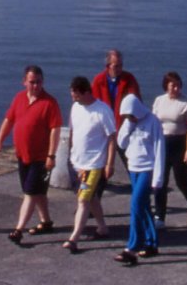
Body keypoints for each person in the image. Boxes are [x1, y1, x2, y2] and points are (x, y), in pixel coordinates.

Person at [0, 64, 63, 244]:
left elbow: (55, 130)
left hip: (41, 157)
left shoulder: (50, 102)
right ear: (24, 82)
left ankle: (19, 229)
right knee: (37, 191)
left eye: (39, 82)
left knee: (30, 192)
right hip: (23, 154)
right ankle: (46, 222)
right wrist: (0, 140)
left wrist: (51, 156)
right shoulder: (19, 98)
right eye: (32, 82)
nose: (36, 86)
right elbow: (9, 119)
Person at [62, 76, 116, 253]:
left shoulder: (102, 111)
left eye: (76, 94)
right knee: (91, 198)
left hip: (94, 164)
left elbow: (111, 138)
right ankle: (102, 227)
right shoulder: (75, 108)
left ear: (86, 92)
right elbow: (73, 131)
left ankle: (74, 238)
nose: (73, 98)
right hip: (77, 162)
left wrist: (109, 163)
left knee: (83, 200)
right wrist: (69, 154)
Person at [114, 94, 166, 265]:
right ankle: (151, 243)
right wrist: (128, 125)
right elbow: (121, 143)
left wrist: (158, 179)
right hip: (133, 168)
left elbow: (159, 150)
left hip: (147, 169)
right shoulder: (129, 122)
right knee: (143, 207)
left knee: (135, 204)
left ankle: (132, 247)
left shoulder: (153, 122)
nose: (131, 118)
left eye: (132, 115)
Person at [152, 71, 187, 227]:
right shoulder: (159, 101)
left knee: (181, 181)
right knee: (160, 181)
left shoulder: (186, 104)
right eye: (172, 85)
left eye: (178, 85)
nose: (175, 88)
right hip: (162, 143)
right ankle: (159, 216)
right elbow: (154, 122)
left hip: (179, 144)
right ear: (166, 86)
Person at [93, 48, 142, 115]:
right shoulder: (98, 80)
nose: (119, 69)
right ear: (108, 66)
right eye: (116, 66)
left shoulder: (129, 79)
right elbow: (94, 103)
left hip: (125, 121)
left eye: (120, 65)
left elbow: (136, 102)